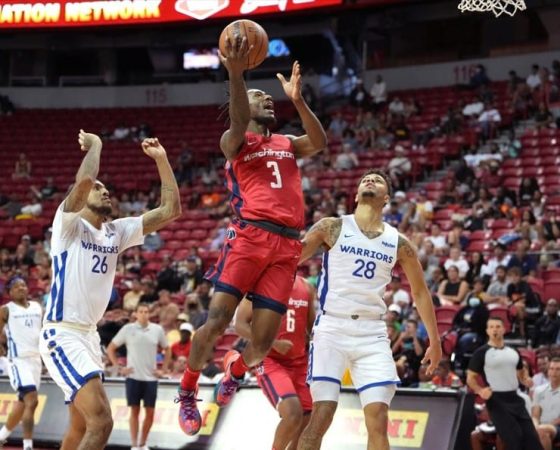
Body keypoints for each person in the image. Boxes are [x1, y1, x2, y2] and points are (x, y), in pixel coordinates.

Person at [177, 35, 327, 436]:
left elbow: (320, 141)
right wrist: (237, 76)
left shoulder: (286, 143)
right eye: (260, 96)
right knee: (218, 320)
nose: (267, 100)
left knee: (261, 343)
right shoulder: (236, 142)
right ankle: (189, 388)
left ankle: (235, 370)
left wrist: (297, 99)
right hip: (250, 236)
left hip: (286, 244)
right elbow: (239, 118)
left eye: (268, 96)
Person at [38, 130, 181, 450]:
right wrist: (97, 145)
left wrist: (162, 160)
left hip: (88, 336)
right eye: (98, 189)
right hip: (61, 333)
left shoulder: (118, 231)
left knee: (81, 425)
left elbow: (171, 210)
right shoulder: (68, 225)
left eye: (107, 190)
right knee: (102, 421)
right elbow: (86, 180)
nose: (104, 192)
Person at [295, 169, 441, 450]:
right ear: (356, 195)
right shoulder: (331, 227)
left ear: (386, 198)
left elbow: (421, 293)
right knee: (322, 413)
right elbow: (293, 257)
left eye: (377, 180)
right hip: (332, 328)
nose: (369, 181)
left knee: (378, 416)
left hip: (372, 332)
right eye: (364, 180)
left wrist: (435, 341)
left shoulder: (399, 243)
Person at [235, 275, 315, 450]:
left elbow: (313, 329)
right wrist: (274, 343)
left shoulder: (307, 287)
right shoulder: (261, 284)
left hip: (300, 362)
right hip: (271, 360)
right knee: (293, 414)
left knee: (309, 417)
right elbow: (240, 324)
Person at [467, 317, 543, 450]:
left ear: (504, 329)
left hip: (515, 398)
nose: (494, 329)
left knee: (532, 439)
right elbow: (470, 379)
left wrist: (526, 379)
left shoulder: (513, 351)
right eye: (491, 327)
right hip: (496, 400)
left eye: (497, 326)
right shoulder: (481, 353)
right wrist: (480, 390)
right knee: (515, 438)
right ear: (487, 331)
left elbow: (521, 372)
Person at [107, 303, 171, 450]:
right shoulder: (127, 329)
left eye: (146, 311)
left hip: (151, 378)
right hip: (133, 377)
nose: (143, 314)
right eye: (141, 311)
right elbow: (111, 348)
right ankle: (135, 445)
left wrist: (164, 369)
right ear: (135, 314)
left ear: (149, 314)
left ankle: (143, 443)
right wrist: (119, 367)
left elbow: (167, 349)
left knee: (150, 412)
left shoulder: (157, 330)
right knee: (134, 411)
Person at [0, 277, 43, 450]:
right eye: (16, 287)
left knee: (23, 402)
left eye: (23, 285)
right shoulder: (5, 310)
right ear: (9, 292)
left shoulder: (37, 307)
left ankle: (1, 436)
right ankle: (27, 445)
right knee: (32, 400)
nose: (21, 288)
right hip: (18, 361)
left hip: (36, 360)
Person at [532, 357, 560, 450]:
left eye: (558, 369)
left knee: (541, 431)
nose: (554, 372)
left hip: (557, 426)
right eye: (551, 369)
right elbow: (535, 415)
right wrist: (536, 425)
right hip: (541, 426)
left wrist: (543, 426)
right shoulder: (539, 390)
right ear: (548, 371)